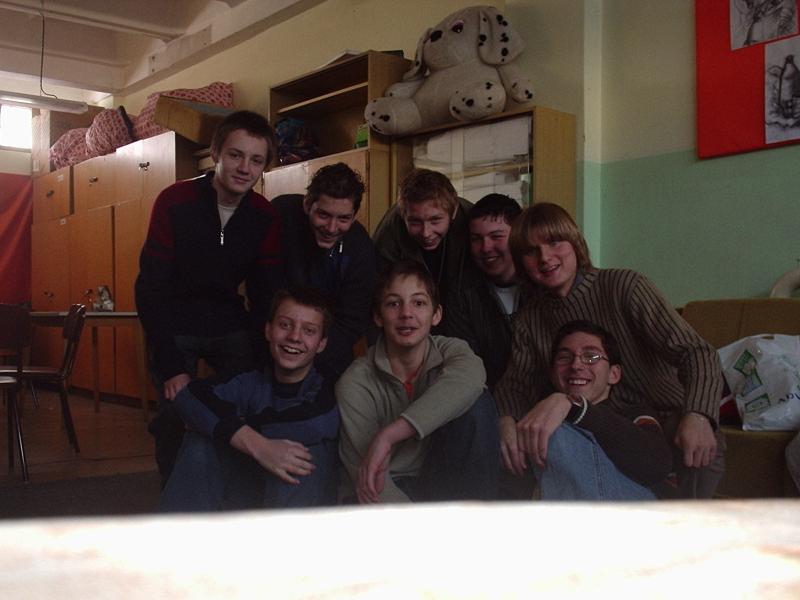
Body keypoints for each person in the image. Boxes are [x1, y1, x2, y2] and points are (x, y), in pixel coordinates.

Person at [494, 202, 725, 499]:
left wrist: (699, 415)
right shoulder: (530, 319)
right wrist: (506, 421)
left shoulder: (625, 286)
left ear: (575, 243)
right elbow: (516, 384)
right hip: (590, 425)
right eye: (530, 251)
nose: (545, 257)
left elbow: (696, 352)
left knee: (695, 472)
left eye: (554, 242)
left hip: (667, 421)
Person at [135, 110, 283, 485]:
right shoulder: (174, 200)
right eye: (236, 155)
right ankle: (175, 490)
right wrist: (171, 365)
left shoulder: (263, 215)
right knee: (176, 410)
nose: (245, 168)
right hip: (175, 322)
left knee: (250, 399)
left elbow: (264, 293)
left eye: (256, 160)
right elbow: (150, 287)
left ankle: (235, 487)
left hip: (228, 322)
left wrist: (264, 358)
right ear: (216, 153)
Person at [159, 287, 339, 511]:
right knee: (201, 440)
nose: (294, 337)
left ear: (321, 344)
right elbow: (189, 396)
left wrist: (229, 427)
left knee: (300, 454)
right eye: (285, 325)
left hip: (301, 498)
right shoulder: (250, 377)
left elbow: (312, 425)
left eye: (309, 331)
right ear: (268, 330)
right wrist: (258, 445)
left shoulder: (327, 385)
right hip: (245, 485)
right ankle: (179, 530)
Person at [337, 261, 500, 503]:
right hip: (387, 489)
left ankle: (479, 520)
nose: (406, 313)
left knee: (478, 404)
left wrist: (389, 435)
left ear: (437, 315)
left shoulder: (452, 351)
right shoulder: (356, 381)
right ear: (378, 317)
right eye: (393, 304)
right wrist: (419, 523)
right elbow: (369, 480)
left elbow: (473, 378)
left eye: (419, 303)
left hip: (439, 477)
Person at [518, 320, 672, 500]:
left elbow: (657, 465)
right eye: (564, 357)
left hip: (635, 511)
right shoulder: (534, 421)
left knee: (558, 433)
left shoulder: (634, 413)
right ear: (553, 374)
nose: (576, 365)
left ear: (613, 374)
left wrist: (576, 408)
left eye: (591, 357)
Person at [270, 163, 376, 379]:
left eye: (343, 219)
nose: (331, 228)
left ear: (354, 216)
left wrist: (306, 355)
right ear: (307, 204)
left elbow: (352, 321)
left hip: (329, 348)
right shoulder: (280, 216)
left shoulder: (360, 247)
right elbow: (262, 291)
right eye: (324, 215)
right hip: (274, 343)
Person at [372, 168, 472, 333]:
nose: (426, 233)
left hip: (462, 317)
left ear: (453, 211)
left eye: (435, 220)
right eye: (415, 222)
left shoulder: (471, 221)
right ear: (403, 214)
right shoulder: (388, 236)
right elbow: (378, 300)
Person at [446, 193, 529, 390]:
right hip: (487, 394)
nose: (485, 247)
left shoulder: (541, 283)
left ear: (518, 235)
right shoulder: (461, 293)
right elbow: (466, 364)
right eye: (476, 239)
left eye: (496, 236)